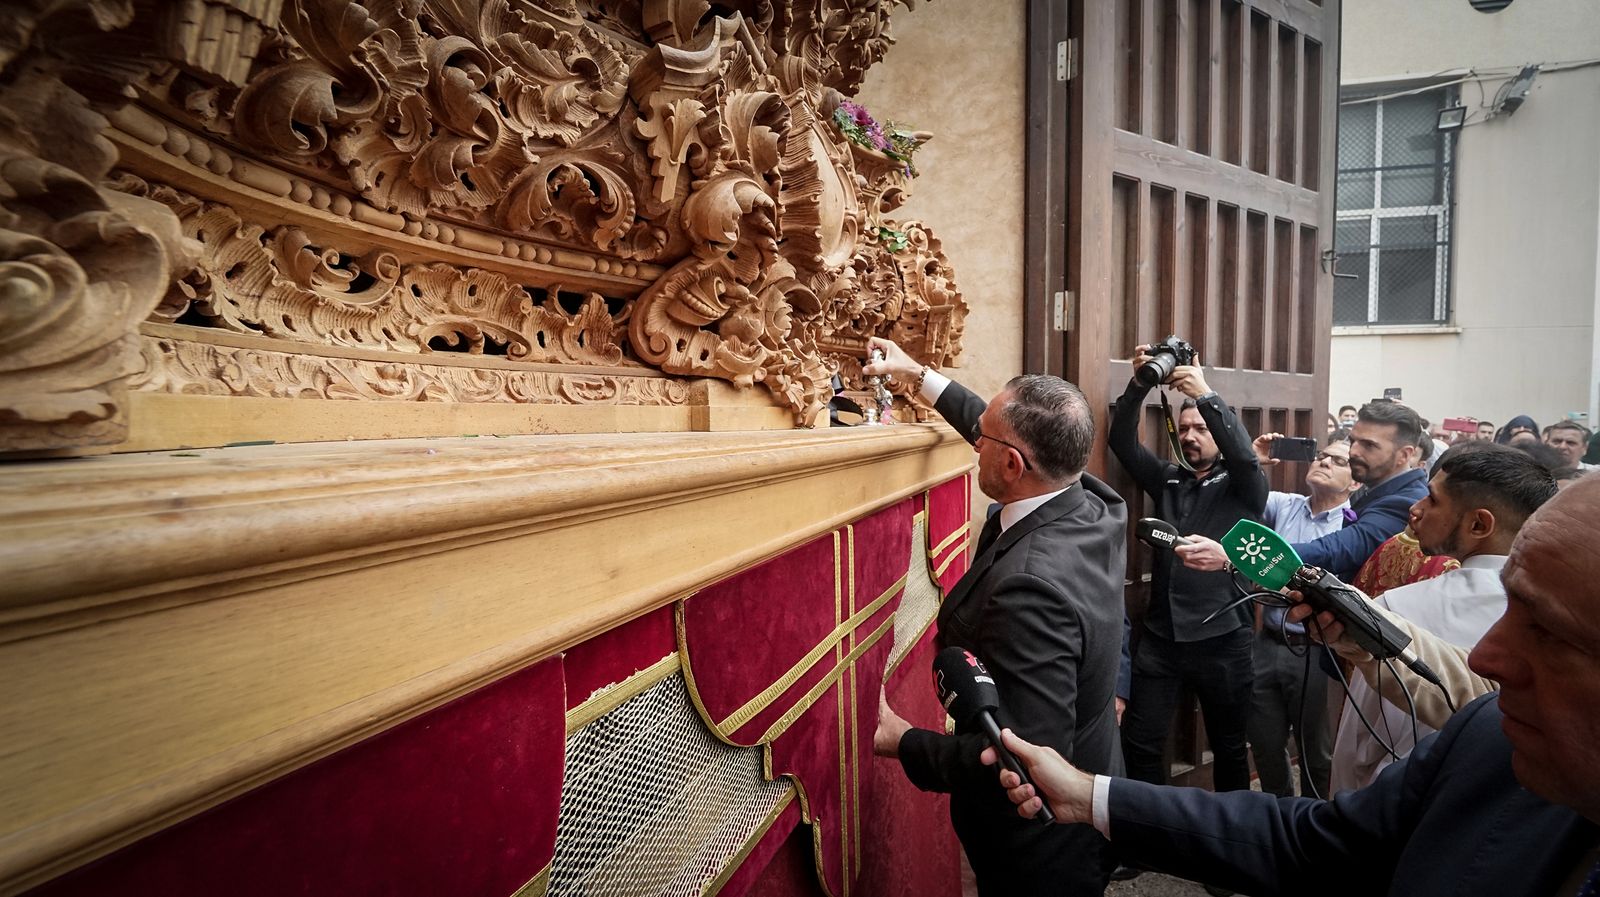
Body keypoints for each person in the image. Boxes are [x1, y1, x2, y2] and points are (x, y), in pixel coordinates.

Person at [985, 476, 1600, 897]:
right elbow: (1311, 840)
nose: (1491, 654)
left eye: (1546, 632)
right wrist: (1090, 796)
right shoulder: (1484, 736)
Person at [864, 338, 1126, 897]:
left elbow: (1027, 759)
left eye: (982, 438)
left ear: (1011, 464)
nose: (974, 442)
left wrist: (903, 740)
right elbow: (1004, 434)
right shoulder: (1093, 500)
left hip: (1042, 846)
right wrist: (920, 377)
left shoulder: (1031, 586)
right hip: (1097, 767)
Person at [1330, 443, 1556, 791]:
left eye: (1432, 500)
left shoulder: (1396, 608)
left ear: (1479, 523)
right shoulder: (1561, 611)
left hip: (1405, 798)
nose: (1415, 509)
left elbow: (1360, 741)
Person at [1108, 345, 1268, 805]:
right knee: (1140, 740)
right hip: (1162, 641)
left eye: (1201, 428)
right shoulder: (1169, 480)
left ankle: (1229, 850)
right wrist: (1139, 385)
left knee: (1230, 749)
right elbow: (1122, 442)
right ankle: (1149, 838)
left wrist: (1205, 393)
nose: (1192, 436)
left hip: (1223, 641)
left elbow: (1244, 457)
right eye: (1184, 429)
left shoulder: (1244, 483)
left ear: (1218, 431)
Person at [1242, 432, 1360, 799]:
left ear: (1355, 481)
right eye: (1321, 455)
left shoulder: (1355, 527)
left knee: (1316, 751)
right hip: (1268, 642)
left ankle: (1312, 824)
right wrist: (1254, 459)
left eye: (1338, 461)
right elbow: (1241, 493)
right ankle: (1275, 818)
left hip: (1317, 650)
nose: (1324, 461)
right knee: (1263, 743)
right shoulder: (1285, 505)